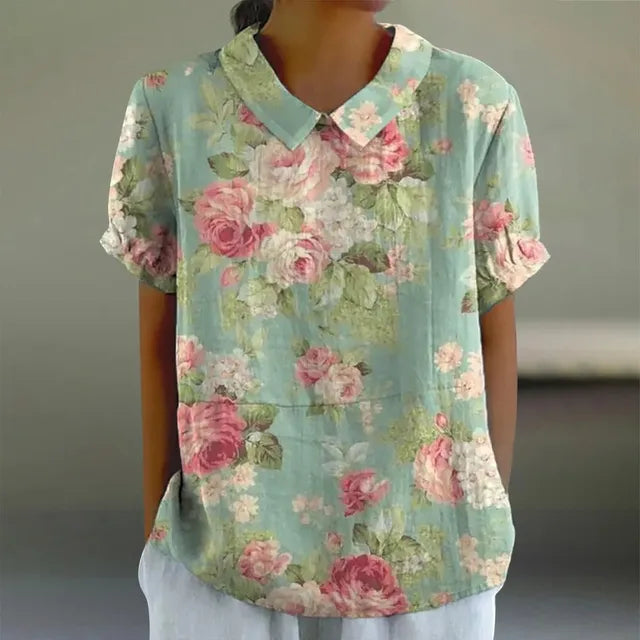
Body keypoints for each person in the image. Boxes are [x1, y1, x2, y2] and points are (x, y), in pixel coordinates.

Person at [99, 1, 550, 638]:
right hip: (222, 560)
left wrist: (479, 528)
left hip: (435, 562)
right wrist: (162, 549)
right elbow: (158, 344)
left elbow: (493, 338)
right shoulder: (175, 105)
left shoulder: (473, 104)